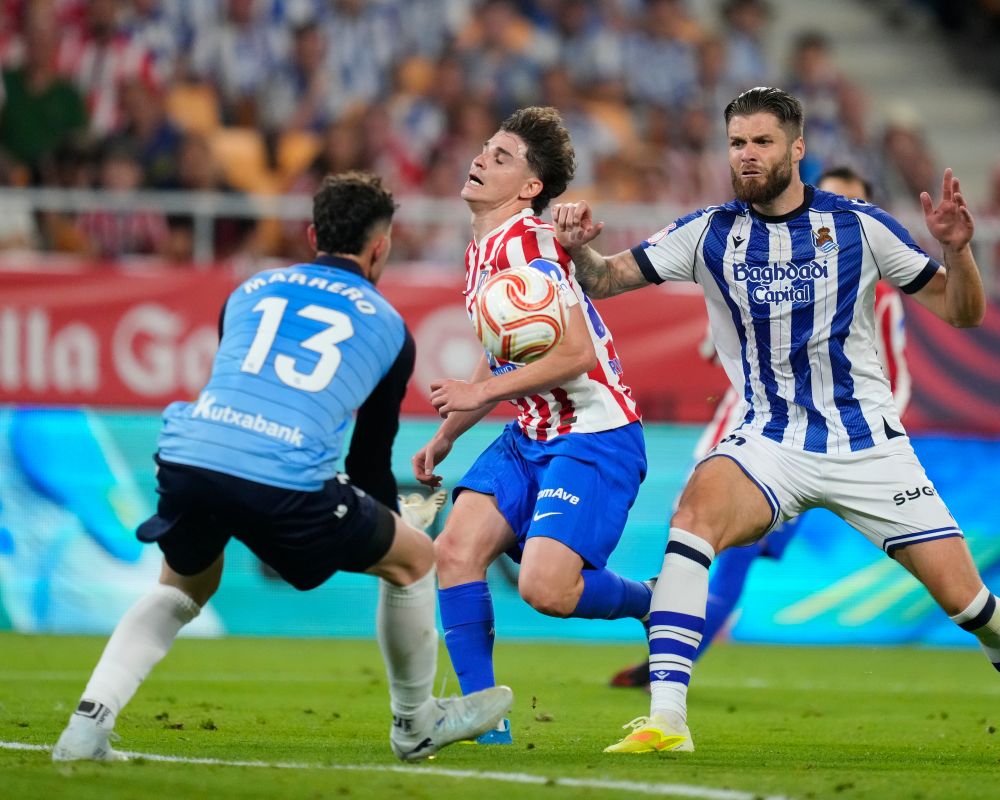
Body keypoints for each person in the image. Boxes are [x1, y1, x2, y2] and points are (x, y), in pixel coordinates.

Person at [552, 87, 1000, 762]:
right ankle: (666, 718)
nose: (748, 157)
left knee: (968, 601)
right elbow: (607, 280)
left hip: (868, 448)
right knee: (694, 511)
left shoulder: (859, 227)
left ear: (797, 150)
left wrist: (959, 251)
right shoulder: (707, 233)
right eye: (737, 144)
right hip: (769, 440)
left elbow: (962, 313)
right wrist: (579, 252)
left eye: (762, 143)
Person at [52, 171, 511, 764]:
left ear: (312, 233)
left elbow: (238, 380)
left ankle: (87, 725)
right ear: (381, 247)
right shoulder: (391, 328)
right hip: (282, 476)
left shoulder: (248, 290)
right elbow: (368, 460)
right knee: (414, 560)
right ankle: (416, 724)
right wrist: (384, 528)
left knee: (183, 587)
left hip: (191, 453)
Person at [609, 166, 911, 689]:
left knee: (730, 558)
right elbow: (723, 343)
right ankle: (670, 657)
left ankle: (668, 665)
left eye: (850, 203)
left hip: (815, 443)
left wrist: (867, 437)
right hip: (740, 433)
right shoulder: (770, 266)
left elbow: (895, 378)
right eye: (829, 199)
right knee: (691, 537)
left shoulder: (878, 296)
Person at [412, 106, 650, 746]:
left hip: (594, 433)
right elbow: (511, 359)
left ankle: (658, 604)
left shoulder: (532, 244)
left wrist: (478, 391)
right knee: (455, 551)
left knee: (548, 590)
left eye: (502, 156)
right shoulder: (481, 251)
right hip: (532, 434)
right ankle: (485, 723)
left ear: (530, 188)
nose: (481, 158)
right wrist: (448, 433)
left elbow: (574, 357)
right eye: (485, 147)